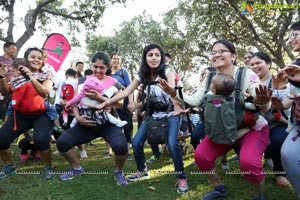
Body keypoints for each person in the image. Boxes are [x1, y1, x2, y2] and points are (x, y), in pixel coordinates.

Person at [159, 39, 271, 200]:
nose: (217, 54)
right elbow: (193, 100)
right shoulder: (209, 76)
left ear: (233, 56)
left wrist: (261, 100)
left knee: (249, 163)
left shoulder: (246, 73)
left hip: (250, 129)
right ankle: (219, 187)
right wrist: (173, 93)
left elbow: (263, 106)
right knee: (201, 156)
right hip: (223, 129)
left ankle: (258, 196)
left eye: (222, 51)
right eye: (213, 52)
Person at [94, 44, 189, 194]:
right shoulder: (143, 74)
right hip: (152, 114)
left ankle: (182, 177)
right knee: (137, 142)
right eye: (150, 55)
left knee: (172, 143)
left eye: (157, 55)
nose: (154, 58)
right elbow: (126, 91)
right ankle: (142, 170)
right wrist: (107, 101)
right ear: (145, 57)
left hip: (171, 112)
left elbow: (172, 90)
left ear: (161, 57)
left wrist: (170, 89)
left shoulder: (167, 71)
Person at [55, 51, 129, 185]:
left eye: (102, 68)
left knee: (121, 147)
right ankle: (77, 168)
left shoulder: (114, 82)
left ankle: (118, 171)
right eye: (95, 66)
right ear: (92, 65)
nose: (98, 70)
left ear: (107, 68)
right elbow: (75, 102)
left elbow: (120, 104)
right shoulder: (82, 80)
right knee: (62, 143)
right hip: (86, 122)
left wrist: (100, 98)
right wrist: (78, 117)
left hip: (107, 122)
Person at [0, 47, 54, 180]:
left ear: (42, 62)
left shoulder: (46, 77)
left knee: (41, 140)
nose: (36, 59)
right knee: (1, 138)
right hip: (21, 116)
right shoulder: (18, 78)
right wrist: (1, 77)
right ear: (26, 59)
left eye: (39, 58)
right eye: (33, 57)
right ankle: (9, 167)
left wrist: (30, 76)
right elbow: (6, 91)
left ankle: (49, 167)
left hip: (40, 115)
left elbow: (44, 92)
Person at [250, 51, 290, 186]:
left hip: (276, 124)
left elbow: (287, 102)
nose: (254, 66)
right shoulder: (250, 83)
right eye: (252, 64)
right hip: (254, 124)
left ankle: (279, 172)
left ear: (268, 63)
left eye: (258, 63)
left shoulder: (277, 81)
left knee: (277, 140)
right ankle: (253, 167)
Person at [110, 53, 134, 160]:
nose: (116, 61)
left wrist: (131, 102)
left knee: (126, 126)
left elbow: (130, 88)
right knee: (113, 127)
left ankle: (128, 152)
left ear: (120, 61)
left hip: (123, 104)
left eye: (118, 59)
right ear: (111, 60)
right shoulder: (107, 73)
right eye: (114, 59)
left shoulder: (124, 72)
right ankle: (115, 150)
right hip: (110, 103)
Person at [0, 42, 17, 120]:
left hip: (10, 93)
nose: (15, 51)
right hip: (1, 89)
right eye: (13, 48)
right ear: (5, 48)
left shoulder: (14, 63)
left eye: (16, 49)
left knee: (9, 118)